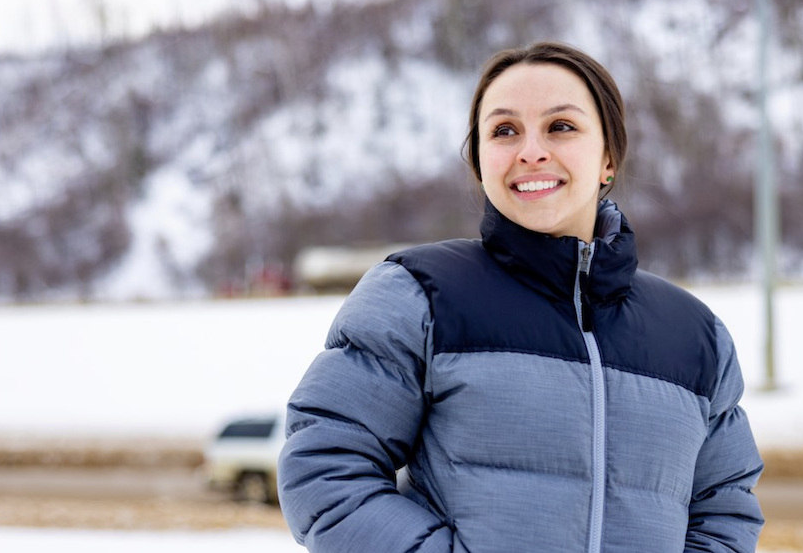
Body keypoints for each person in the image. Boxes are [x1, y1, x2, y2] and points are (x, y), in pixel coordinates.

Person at [277, 41, 764, 553]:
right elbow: (325, 470)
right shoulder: (418, 295)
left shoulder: (694, 335)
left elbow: (724, 508)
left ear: (608, 159)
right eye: (504, 130)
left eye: (561, 127)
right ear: (481, 163)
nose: (531, 151)